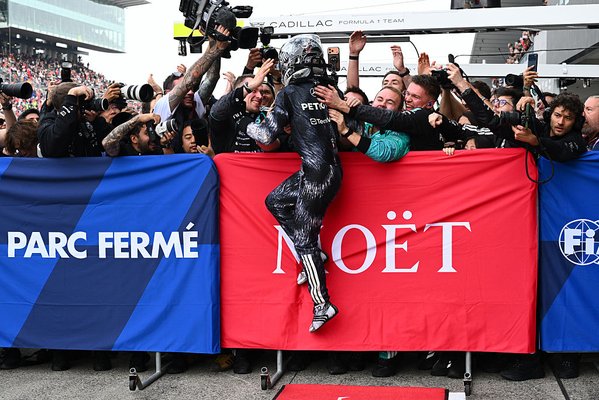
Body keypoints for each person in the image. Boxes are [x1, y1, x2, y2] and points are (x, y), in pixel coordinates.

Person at [243, 35, 343, 333]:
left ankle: (322, 303)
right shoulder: (328, 89)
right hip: (327, 171)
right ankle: (315, 255)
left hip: (315, 174)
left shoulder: (289, 93)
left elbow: (264, 136)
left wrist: (250, 122)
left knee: (304, 238)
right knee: (275, 201)